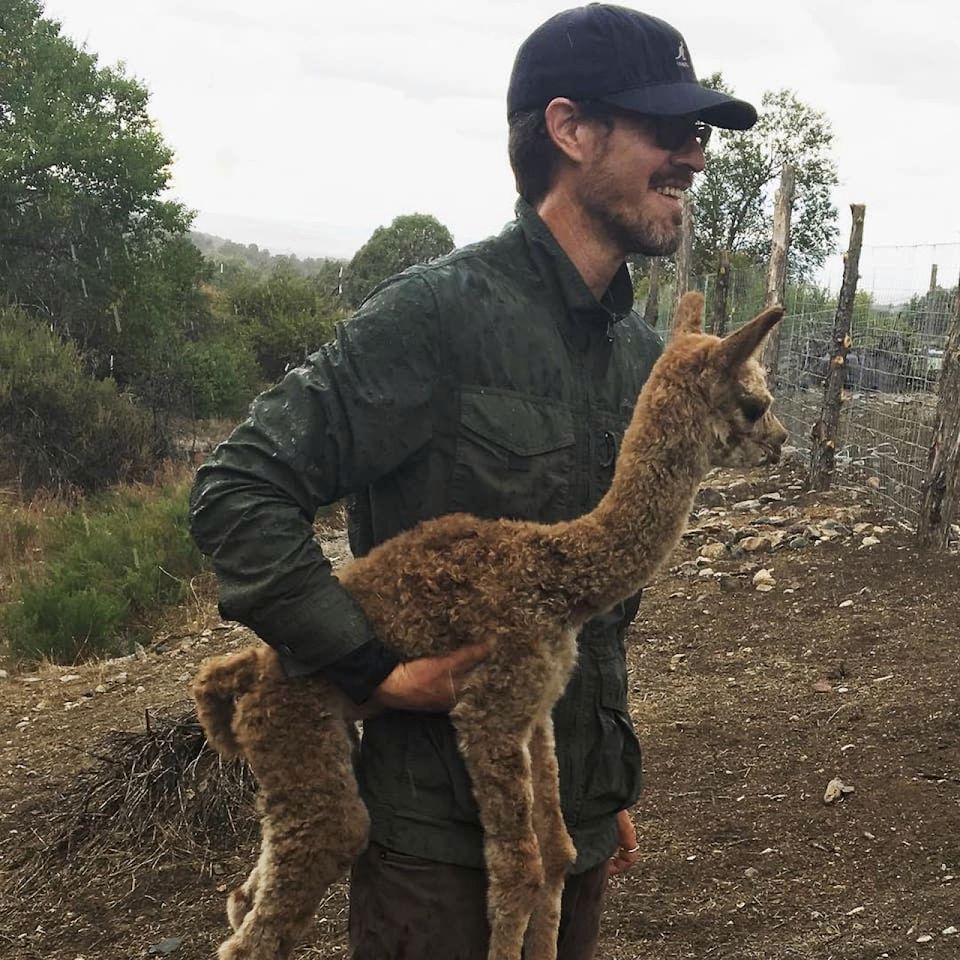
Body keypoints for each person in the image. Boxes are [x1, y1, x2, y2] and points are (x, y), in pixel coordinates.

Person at [189, 5, 757, 958]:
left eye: (697, 134)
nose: (693, 157)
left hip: (559, 831)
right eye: (669, 130)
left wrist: (600, 783)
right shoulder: (435, 318)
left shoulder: (639, 359)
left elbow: (591, 603)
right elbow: (236, 492)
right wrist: (374, 669)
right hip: (433, 850)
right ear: (570, 131)